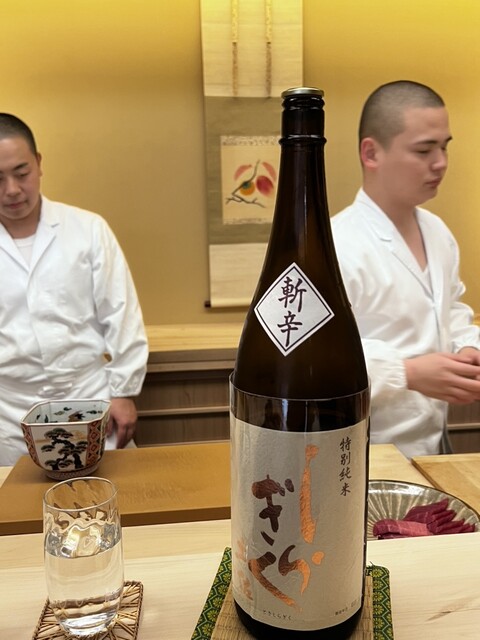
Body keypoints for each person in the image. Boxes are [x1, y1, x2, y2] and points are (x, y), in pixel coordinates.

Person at [331, 80, 480, 459]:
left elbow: (451, 311)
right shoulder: (334, 245)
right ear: (371, 153)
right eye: (424, 150)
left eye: (445, 146)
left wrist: (468, 348)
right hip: (365, 454)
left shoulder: (437, 232)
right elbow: (314, 359)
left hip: (433, 445)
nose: (440, 162)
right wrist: (406, 372)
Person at [0, 113, 149, 466]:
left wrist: (124, 391)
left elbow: (121, 312)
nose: (12, 189)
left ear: (39, 164)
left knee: (108, 491)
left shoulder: (87, 229)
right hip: (9, 409)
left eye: (21, 173)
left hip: (90, 398)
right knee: (18, 498)